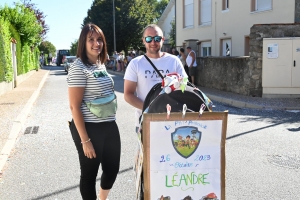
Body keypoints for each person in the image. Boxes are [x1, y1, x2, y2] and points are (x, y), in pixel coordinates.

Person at [67, 23, 121, 200]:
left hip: (109, 124)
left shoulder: (100, 64)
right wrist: (85, 140)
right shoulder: (78, 67)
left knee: (112, 168)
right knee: (89, 174)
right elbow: (74, 106)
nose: (96, 44)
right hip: (89, 128)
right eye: (91, 40)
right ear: (83, 42)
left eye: (99, 40)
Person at [124, 24, 187, 131]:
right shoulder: (135, 63)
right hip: (145, 121)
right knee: (145, 149)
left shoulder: (174, 61)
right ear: (143, 40)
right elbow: (128, 94)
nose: (153, 42)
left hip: (172, 121)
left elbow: (185, 86)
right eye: (149, 38)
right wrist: (151, 108)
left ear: (162, 39)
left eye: (157, 38)